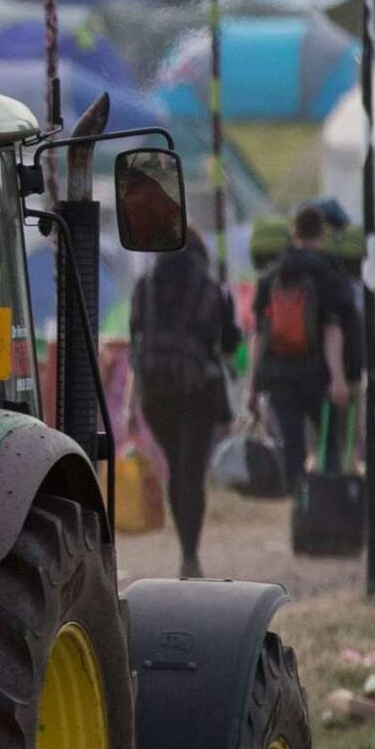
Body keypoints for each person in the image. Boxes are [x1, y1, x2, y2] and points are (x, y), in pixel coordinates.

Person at [128, 227, 240, 578]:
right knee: (192, 472)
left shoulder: (144, 286)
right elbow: (228, 345)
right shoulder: (210, 289)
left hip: (155, 392)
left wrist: (130, 404)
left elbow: (135, 341)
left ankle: (185, 546)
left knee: (176, 470)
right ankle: (190, 553)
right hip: (196, 393)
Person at [248, 203, 362, 483]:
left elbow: (259, 334)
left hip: (279, 373)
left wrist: (252, 384)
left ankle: (300, 506)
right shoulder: (329, 273)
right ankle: (328, 505)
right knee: (329, 446)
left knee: (292, 446)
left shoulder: (272, 275)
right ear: (321, 234)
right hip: (318, 374)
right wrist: (339, 378)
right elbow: (332, 330)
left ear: (293, 233)